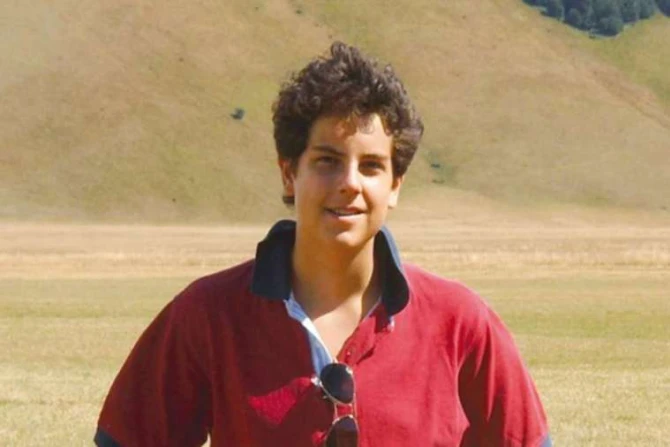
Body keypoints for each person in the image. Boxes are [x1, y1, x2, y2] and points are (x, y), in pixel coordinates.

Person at [95, 42, 552, 447]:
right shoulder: (208, 315)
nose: (349, 183)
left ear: (395, 186)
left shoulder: (460, 323)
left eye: (371, 166)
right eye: (327, 161)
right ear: (289, 173)